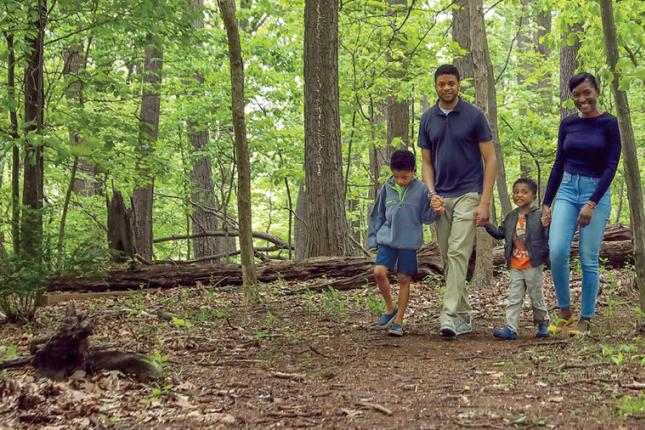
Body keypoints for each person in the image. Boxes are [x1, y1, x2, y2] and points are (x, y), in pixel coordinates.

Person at [417, 64, 497, 338]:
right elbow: (426, 163)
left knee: (457, 252)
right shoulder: (428, 119)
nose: (446, 87)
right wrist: (431, 194)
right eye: (441, 83)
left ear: (458, 84)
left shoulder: (474, 116)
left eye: (451, 83)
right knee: (448, 259)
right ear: (436, 86)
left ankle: (449, 315)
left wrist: (484, 202)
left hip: (469, 193)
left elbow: (491, 160)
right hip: (441, 197)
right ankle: (463, 316)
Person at [541, 72, 621, 336]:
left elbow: (611, 166)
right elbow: (558, 163)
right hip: (567, 189)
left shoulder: (609, 124)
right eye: (576, 95)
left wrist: (593, 202)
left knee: (588, 257)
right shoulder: (568, 124)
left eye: (587, 92)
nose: (582, 99)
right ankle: (565, 312)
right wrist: (547, 203)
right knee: (557, 251)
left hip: (595, 189)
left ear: (596, 91)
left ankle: (585, 318)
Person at [368, 150, 440, 337]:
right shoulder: (387, 188)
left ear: (414, 171)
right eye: (397, 176)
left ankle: (398, 321)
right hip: (387, 240)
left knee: (403, 279)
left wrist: (437, 210)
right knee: (379, 272)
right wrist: (372, 240)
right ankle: (390, 307)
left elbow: (426, 217)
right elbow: (377, 215)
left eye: (405, 177)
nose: (400, 180)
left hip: (409, 243)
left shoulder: (422, 189)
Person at [484, 178, 549, 340]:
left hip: (533, 264)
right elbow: (500, 234)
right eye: (516, 192)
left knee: (536, 296)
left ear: (533, 196)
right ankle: (511, 328)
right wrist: (486, 224)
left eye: (524, 192)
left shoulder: (539, 215)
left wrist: (547, 225)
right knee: (514, 297)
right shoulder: (511, 216)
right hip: (515, 265)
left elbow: (547, 237)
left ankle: (542, 323)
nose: (519, 195)